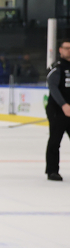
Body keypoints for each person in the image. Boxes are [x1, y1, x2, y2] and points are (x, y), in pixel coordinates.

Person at [45, 39, 70, 181]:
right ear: (60, 50)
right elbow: (53, 87)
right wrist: (63, 105)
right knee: (55, 140)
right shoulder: (57, 67)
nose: (69, 50)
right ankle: (52, 170)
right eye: (66, 48)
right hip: (58, 110)